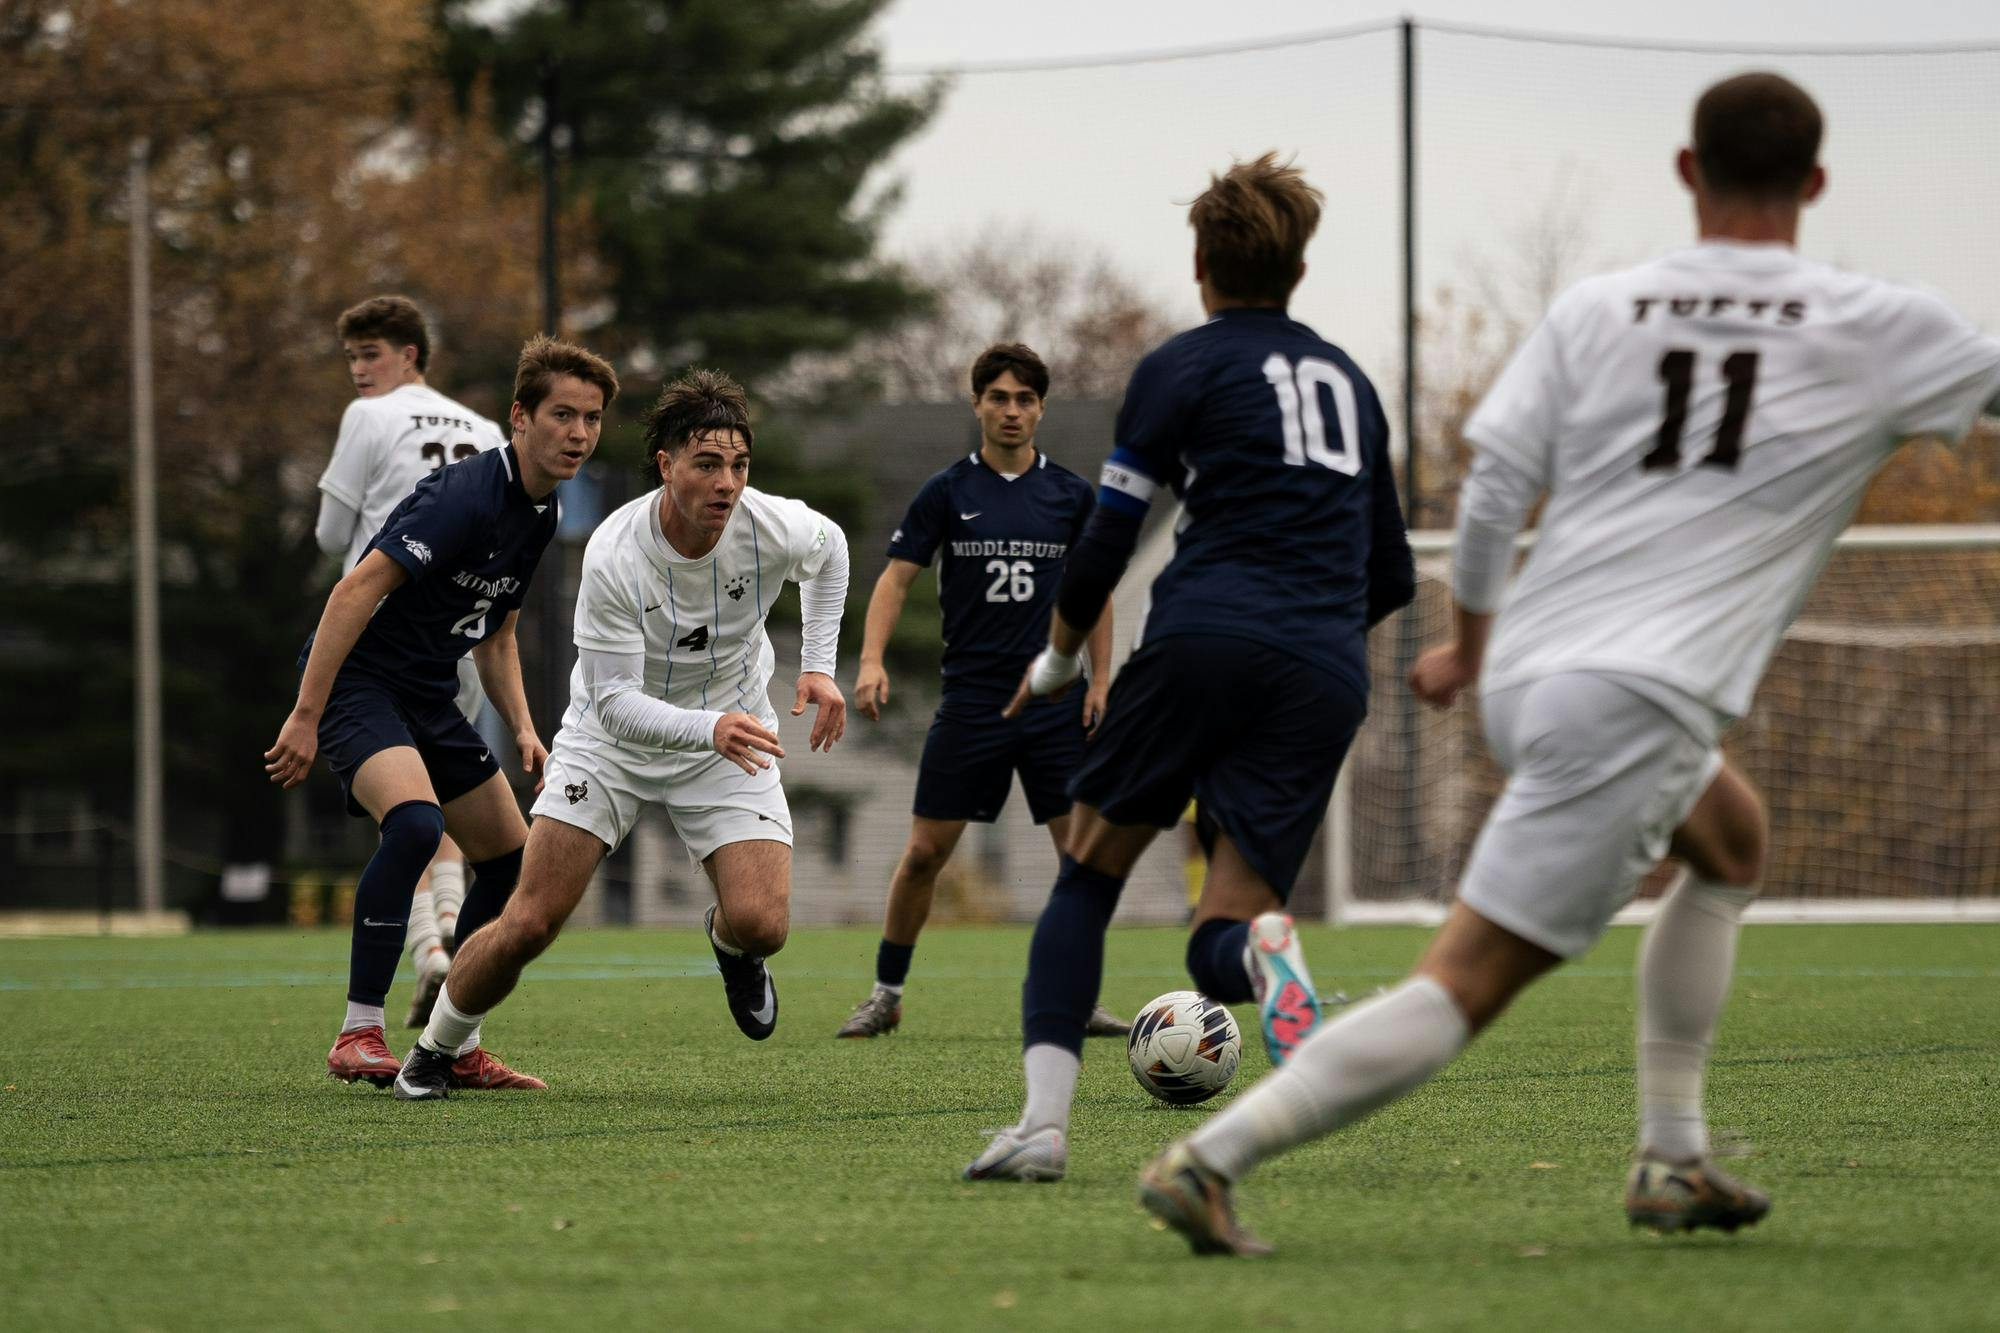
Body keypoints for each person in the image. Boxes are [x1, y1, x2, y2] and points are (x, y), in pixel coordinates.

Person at [1137, 72, 2000, 1256]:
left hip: (1535, 669)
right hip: (1634, 697)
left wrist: (1472, 649)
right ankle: (1211, 1159)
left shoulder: (1603, 307)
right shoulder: (1877, 323)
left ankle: (1673, 1153)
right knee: (1465, 980)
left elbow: (1492, 488)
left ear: (1687, 173)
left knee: (1729, 841)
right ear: (1812, 184)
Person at [963, 154, 1414, 1182]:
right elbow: (1388, 572)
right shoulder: (1350, 382)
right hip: (1323, 668)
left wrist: (1058, 661)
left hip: (1200, 639)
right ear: (1296, 268)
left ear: (1201, 261)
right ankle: (1267, 958)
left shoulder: (1181, 366)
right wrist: (1307, 644)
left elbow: (1106, 539)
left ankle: (1039, 1131)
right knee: (1230, 919)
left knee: (1085, 872)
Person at [391, 368, 851, 1100]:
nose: (727, 482)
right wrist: (711, 727)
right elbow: (614, 705)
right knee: (532, 920)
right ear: (666, 466)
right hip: (616, 743)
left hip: (729, 734)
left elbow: (830, 551)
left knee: (763, 923)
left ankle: (730, 946)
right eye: (707, 463)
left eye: (738, 464)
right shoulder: (614, 551)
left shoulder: (772, 524)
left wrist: (820, 667)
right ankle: (436, 1049)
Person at [266, 334, 621, 1092]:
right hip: (359, 683)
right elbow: (352, 591)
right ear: (518, 417)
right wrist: (306, 713)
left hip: (426, 693)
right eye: (563, 414)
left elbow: (498, 635)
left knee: (509, 858)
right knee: (419, 825)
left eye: (592, 418)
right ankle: (358, 1029)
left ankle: (451, 1040)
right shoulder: (463, 494)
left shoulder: (540, 513)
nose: (580, 433)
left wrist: (525, 727)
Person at [838, 342, 1127, 1041]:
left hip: (1057, 703)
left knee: (1079, 857)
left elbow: (1096, 592)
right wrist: (872, 659)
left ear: (1040, 409)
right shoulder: (947, 491)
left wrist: (1103, 681)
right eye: (998, 397)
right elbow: (895, 578)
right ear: (977, 404)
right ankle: (886, 991)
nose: (1011, 410)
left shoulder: (1070, 494)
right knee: (925, 854)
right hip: (972, 702)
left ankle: (1078, 997)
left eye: (1025, 398)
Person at [314, 295, 507, 1028]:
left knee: (403, 809)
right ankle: (448, 931)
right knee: (447, 798)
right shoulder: (486, 427)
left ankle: (425, 954)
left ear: (410, 356)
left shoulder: (367, 417)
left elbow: (335, 532)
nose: (361, 369)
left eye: (372, 354)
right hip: (457, 638)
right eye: (354, 357)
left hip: (382, 636)